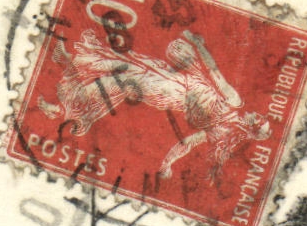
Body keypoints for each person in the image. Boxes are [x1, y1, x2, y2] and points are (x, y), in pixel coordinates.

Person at [37, 28, 271, 182]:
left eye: (258, 119)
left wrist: (197, 44)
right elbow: (187, 143)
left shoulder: (233, 103)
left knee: (124, 75)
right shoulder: (223, 129)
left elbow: (213, 71)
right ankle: (68, 71)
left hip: (173, 88)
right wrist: (168, 164)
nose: (256, 113)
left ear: (252, 126)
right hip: (175, 84)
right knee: (125, 67)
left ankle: (62, 102)